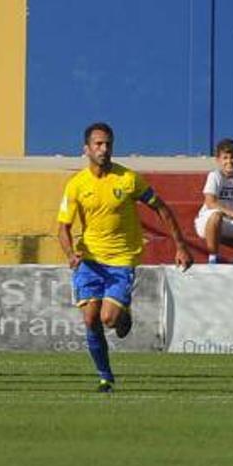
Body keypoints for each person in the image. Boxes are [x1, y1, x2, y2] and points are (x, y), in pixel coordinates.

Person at [57, 122, 191, 391]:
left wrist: (180, 246)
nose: (104, 149)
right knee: (90, 319)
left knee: (107, 318)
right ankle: (105, 377)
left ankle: (122, 314)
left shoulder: (128, 180)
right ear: (86, 149)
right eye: (98, 144)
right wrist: (71, 254)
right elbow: (63, 227)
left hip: (121, 260)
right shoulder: (76, 185)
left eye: (108, 144)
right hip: (90, 259)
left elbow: (161, 209)